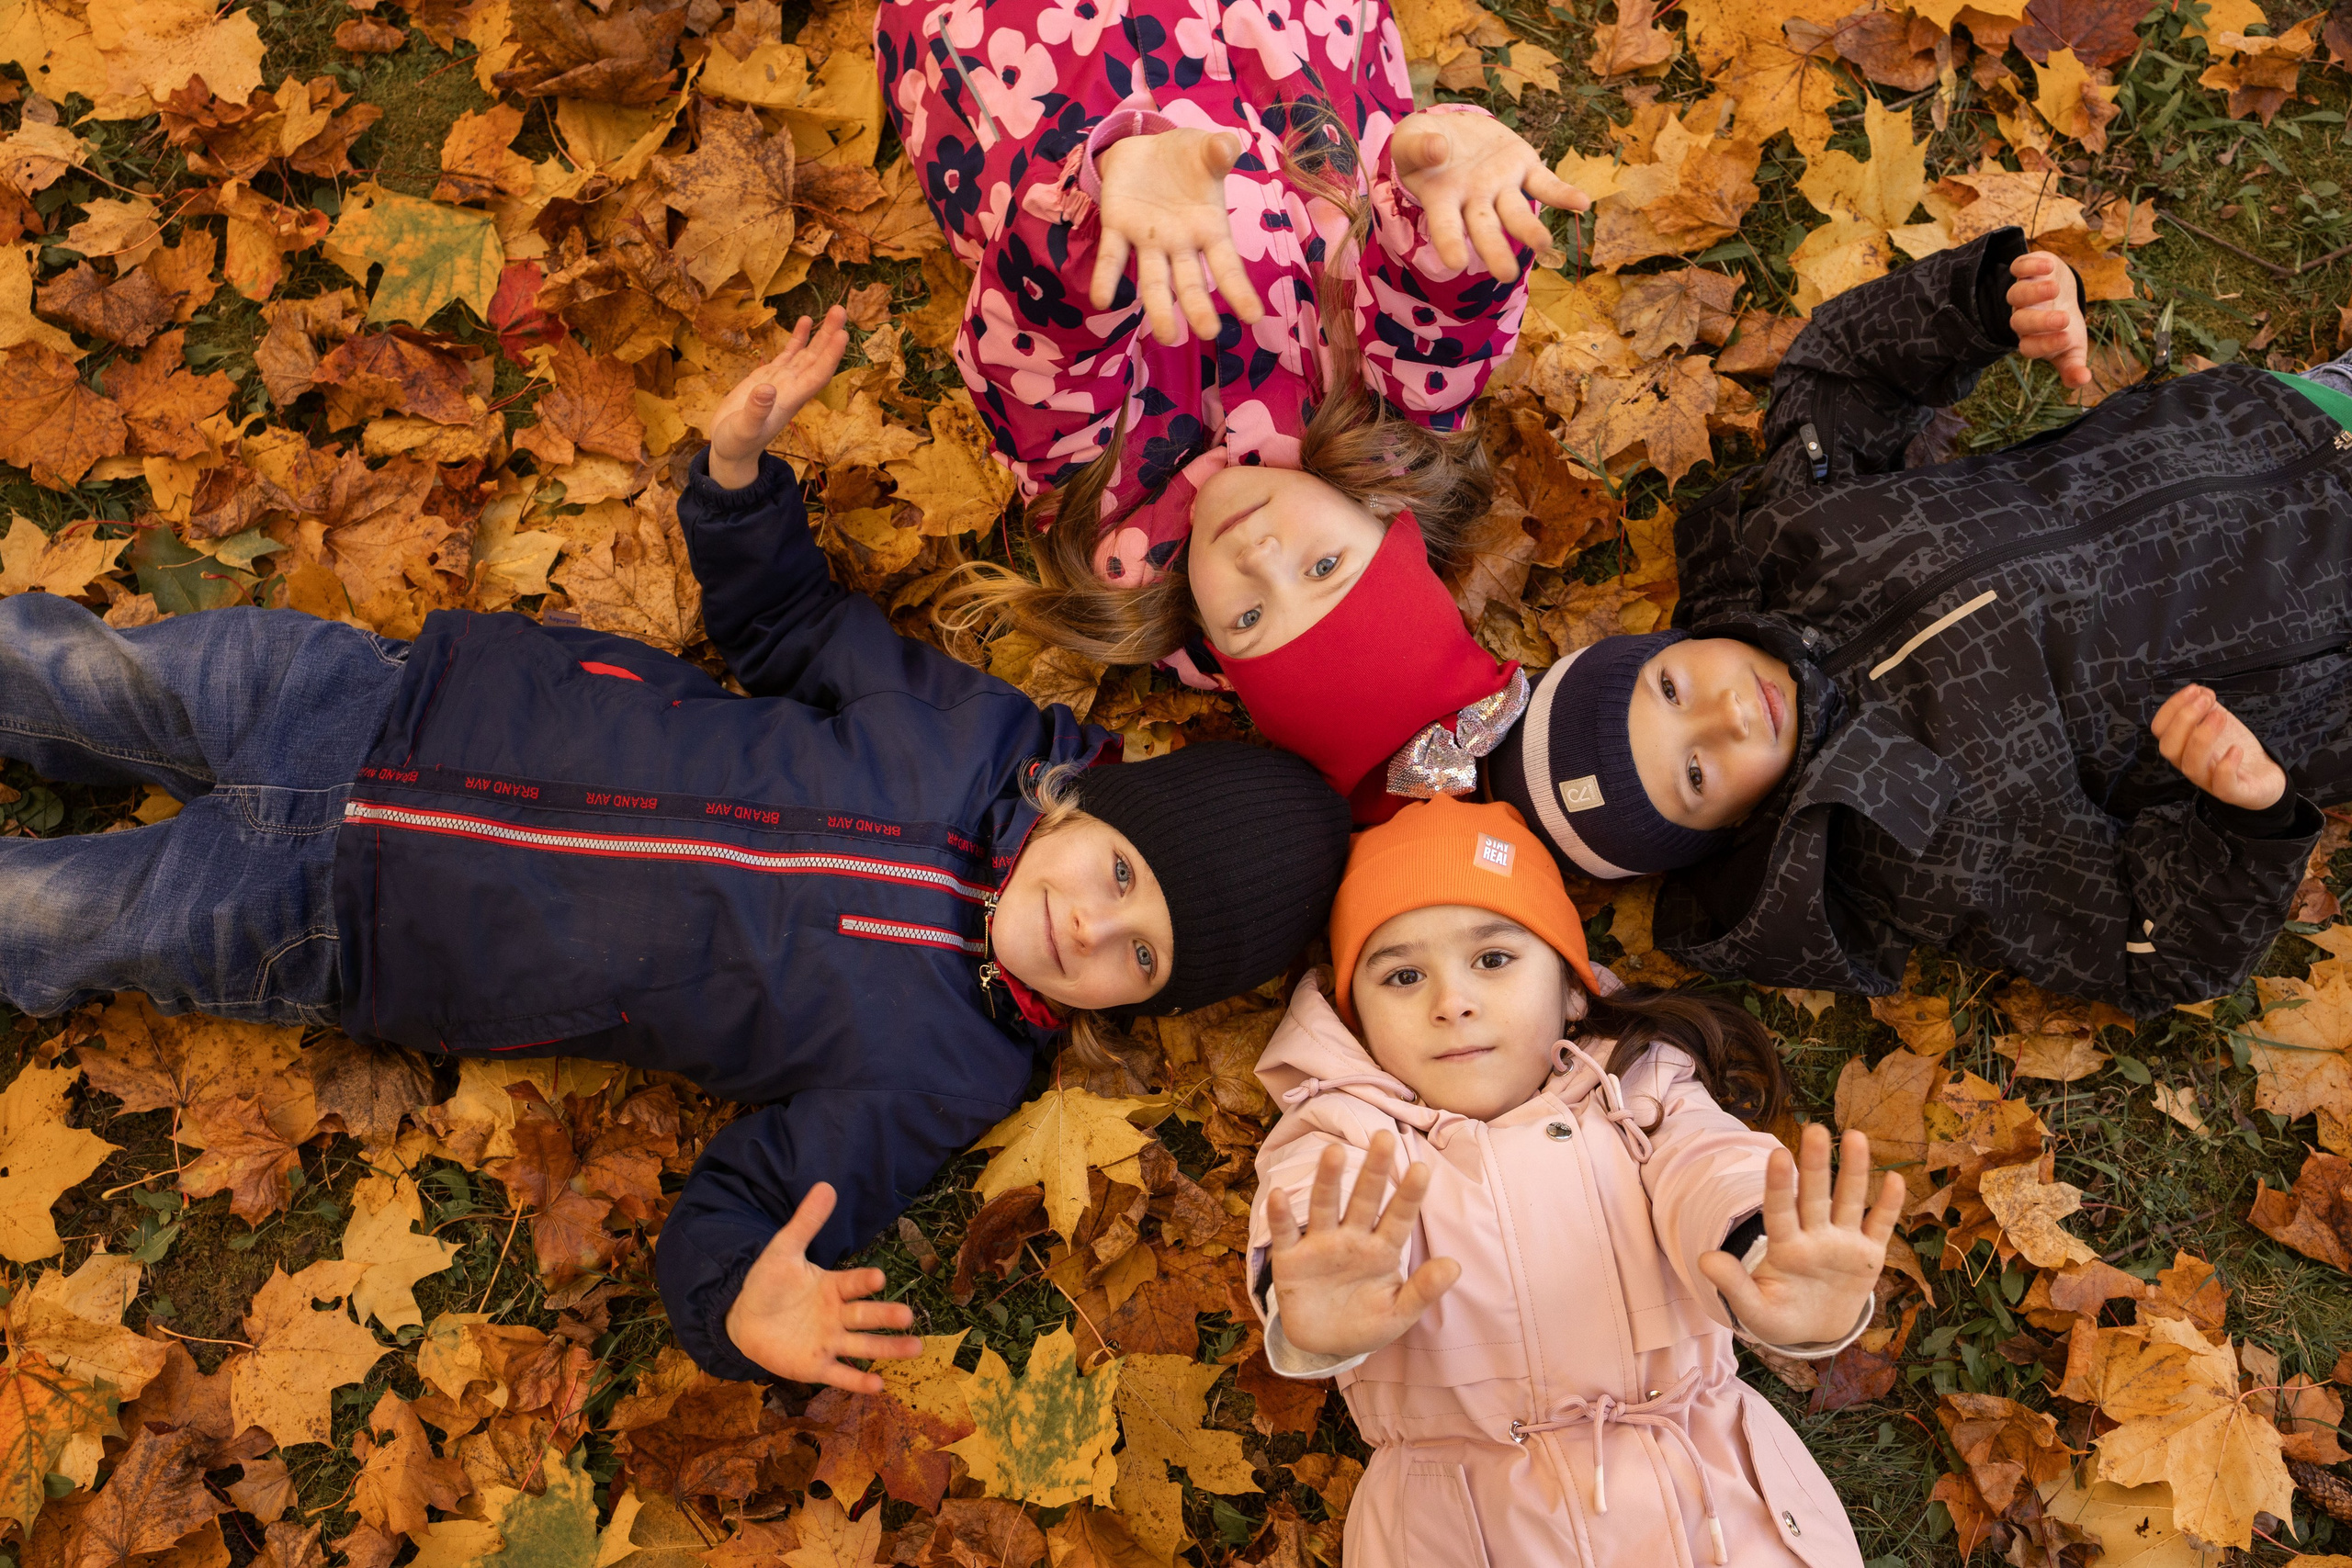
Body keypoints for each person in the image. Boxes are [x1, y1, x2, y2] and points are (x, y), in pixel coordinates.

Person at [0, 309, 1354, 1387]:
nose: (1091, 927)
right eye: (1120, 872)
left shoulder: (942, 1075)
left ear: (1141, 1006)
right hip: (383, 699)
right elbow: (790, 630)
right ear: (1091, 801)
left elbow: (752, 1201)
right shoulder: (969, 732)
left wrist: (743, 1305)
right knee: (93, 670)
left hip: (348, 922)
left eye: (1140, 956)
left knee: (67, 914)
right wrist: (739, 478)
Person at [1485, 227, 2348, 1016]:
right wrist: (2248, 820)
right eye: (1699, 775)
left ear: (1664, 643)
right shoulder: (1918, 842)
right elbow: (2151, 951)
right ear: (1731, 832)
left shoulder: (1779, 540)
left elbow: (1843, 371)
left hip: (2272, 424)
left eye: (1670, 689)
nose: (1730, 714)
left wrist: (1984, 303)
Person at [886, 0, 1584, 820]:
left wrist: (1109, 200)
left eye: (1250, 617)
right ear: (1386, 523)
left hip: (1033, 55)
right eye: (1325, 568)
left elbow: (1038, 362)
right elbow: (1447, 306)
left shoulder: (1116, 512)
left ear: (1213, 643)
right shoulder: (1393, 415)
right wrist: (1455, 186)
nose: (1259, 553)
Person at [1247, 796, 1899, 1566]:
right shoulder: (1341, 1130)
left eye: (1492, 959)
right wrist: (1311, 1308)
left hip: (1712, 1495)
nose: (1450, 1002)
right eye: (1402, 975)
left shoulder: (1640, 1088)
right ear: (1357, 1020)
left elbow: (1706, 1165)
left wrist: (1764, 1242)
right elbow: (1309, 1211)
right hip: (1464, 1520)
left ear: (1571, 987)